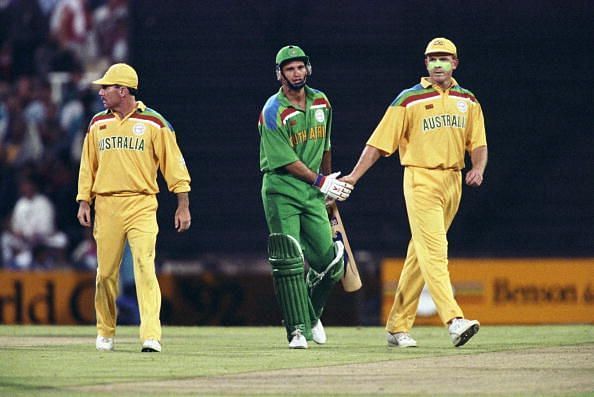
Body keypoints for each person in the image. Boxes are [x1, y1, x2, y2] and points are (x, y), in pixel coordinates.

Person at [341, 38, 488, 348]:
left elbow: (479, 143)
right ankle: (454, 319)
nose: (438, 64)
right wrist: (353, 177)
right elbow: (378, 144)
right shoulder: (408, 99)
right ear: (425, 64)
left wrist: (478, 168)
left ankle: (397, 326)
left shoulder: (468, 100)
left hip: (453, 181)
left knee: (419, 255)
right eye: (432, 59)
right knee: (435, 250)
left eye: (444, 58)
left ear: (455, 63)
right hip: (420, 178)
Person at [76, 63, 191, 353]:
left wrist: (182, 204)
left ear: (123, 90)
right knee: (105, 273)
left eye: (106, 87)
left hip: (141, 203)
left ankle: (151, 334)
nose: (101, 92)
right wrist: (83, 200)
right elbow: (87, 166)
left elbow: (174, 165)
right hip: (106, 204)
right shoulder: (97, 124)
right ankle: (105, 330)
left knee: (144, 265)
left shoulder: (154, 123)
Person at [258, 45, 353, 349]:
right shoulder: (273, 111)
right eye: (290, 69)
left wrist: (328, 187)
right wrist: (322, 181)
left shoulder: (322, 101)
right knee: (289, 261)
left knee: (332, 262)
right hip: (281, 190)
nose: (296, 73)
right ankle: (297, 329)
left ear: (308, 69)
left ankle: (310, 314)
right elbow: (286, 161)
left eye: (300, 67)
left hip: (313, 192)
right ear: (279, 74)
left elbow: (325, 145)